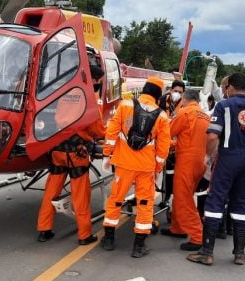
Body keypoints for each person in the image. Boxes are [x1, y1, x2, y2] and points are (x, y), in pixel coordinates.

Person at [187, 72, 245, 266]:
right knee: (243, 205)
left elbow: (212, 136)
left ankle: (206, 252)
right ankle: (240, 254)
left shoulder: (224, 105)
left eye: (226, 88)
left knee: (216, 201)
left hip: (227, 158)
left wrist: (208, 157)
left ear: (230, 88)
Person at [35, 65, 107, 245]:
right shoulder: (90, 98)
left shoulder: (65, 92)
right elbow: (97, 129)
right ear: (96, 79)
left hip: (57, 148)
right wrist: (105, 136)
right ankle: (84, 235)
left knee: (51, 191)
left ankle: (44, 230)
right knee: (80, 195)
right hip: (77, 152)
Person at [101, 76, 171, 258]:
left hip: (123, 163)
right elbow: (163, 149)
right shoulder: (162, 116)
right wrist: (157, 169)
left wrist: (107, 154)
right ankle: (138, 246)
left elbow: (112, 131)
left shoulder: (125, 106)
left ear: (144, 89)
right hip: (146, 166)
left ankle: (108, 239)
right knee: (145, 203)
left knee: (116, 199)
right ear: (158, 95)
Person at [167, 89, 211, 251]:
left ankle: (197, 236)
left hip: (187, 160)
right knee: (184, 195)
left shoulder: (185, 112)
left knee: (183, 198)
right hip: (201, 161)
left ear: (184, 99)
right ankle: (177, 228)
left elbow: (168, 132)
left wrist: (170, 145)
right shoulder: (205, 114)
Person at [158, 80, 185, 214]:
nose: (177, 94)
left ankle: (167, 197)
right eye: (175, 91)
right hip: (160, 141)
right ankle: (145, 196)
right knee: (153, 171)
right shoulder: (161, 101)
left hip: (175, 144)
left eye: (180, 92)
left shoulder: (185, 105)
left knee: (170, 174)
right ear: (171, 90)